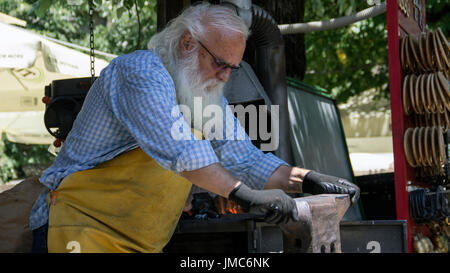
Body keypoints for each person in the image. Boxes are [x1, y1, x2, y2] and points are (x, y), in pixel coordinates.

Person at [29, 3, 359, 253]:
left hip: (140, 243)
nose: (226, 77)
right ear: (188, 43)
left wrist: (308, 179)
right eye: (220, 63)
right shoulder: (140, 72)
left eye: (233, 67)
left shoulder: (204, 98)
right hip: (78, 228)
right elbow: (180, 149)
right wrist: (246, 195)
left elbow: (243, 158)